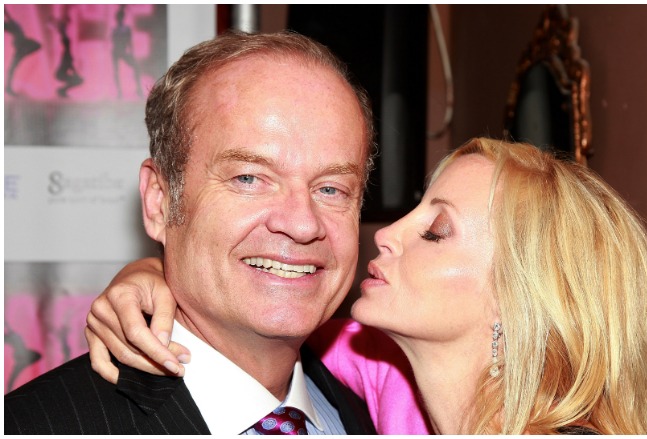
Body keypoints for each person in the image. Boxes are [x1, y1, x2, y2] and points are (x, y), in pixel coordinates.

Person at [85, 137, 647, 434]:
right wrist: (150, 275)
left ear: (521, 297)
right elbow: (262, 312)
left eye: (436, 231)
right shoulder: (374, 365)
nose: (386, 233)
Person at [4, 30, 382, 435]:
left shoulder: (379, 411)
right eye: (249, 178)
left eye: (331, 189)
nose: (302, 224)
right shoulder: (35, 426)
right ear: (159, 202)